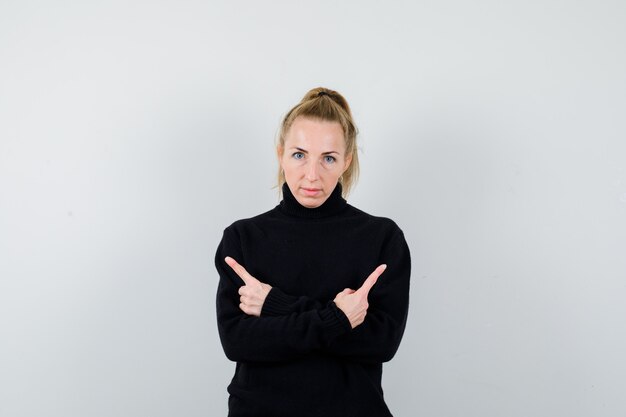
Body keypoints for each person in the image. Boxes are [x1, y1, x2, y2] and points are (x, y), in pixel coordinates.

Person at [215, 87, 411, 417]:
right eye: (299, 154)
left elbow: (381, 343)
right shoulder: (244, 238)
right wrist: (339, 319)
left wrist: (275, 305)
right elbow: (238, 342)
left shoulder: (381, 238)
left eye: (328, 158)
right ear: (281, 154)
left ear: (346, 161)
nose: (312, 175)